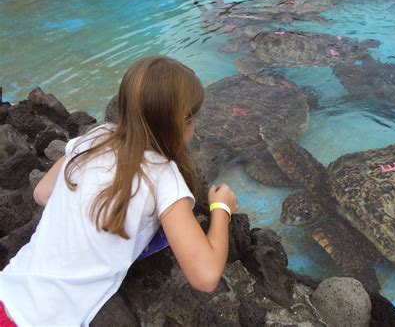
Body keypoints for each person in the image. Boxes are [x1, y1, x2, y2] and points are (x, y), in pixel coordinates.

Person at [0, 56, 238, 326]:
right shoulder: (164, 177)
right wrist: (222, 209)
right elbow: (205, 277)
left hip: (7, 291)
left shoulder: (96, 137)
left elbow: (42, 193)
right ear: (184, 122)